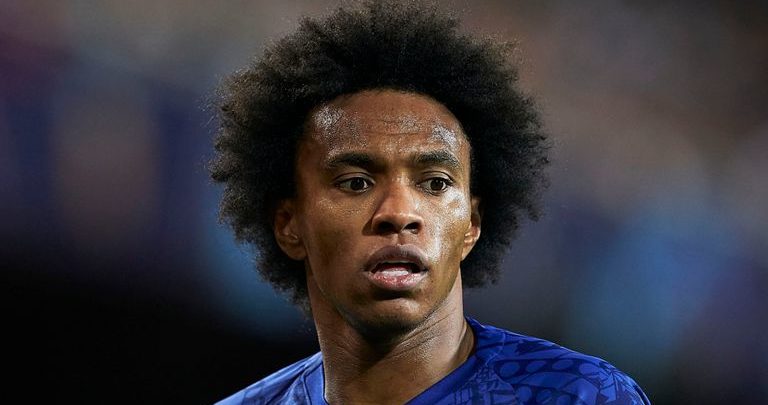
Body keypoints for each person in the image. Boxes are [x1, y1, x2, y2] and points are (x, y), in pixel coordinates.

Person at [210, 1, 650, 404]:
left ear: (472, 224)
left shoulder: (583, 395)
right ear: (289, 224)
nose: (399, 213)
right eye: (356, 183)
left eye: (435, 184)